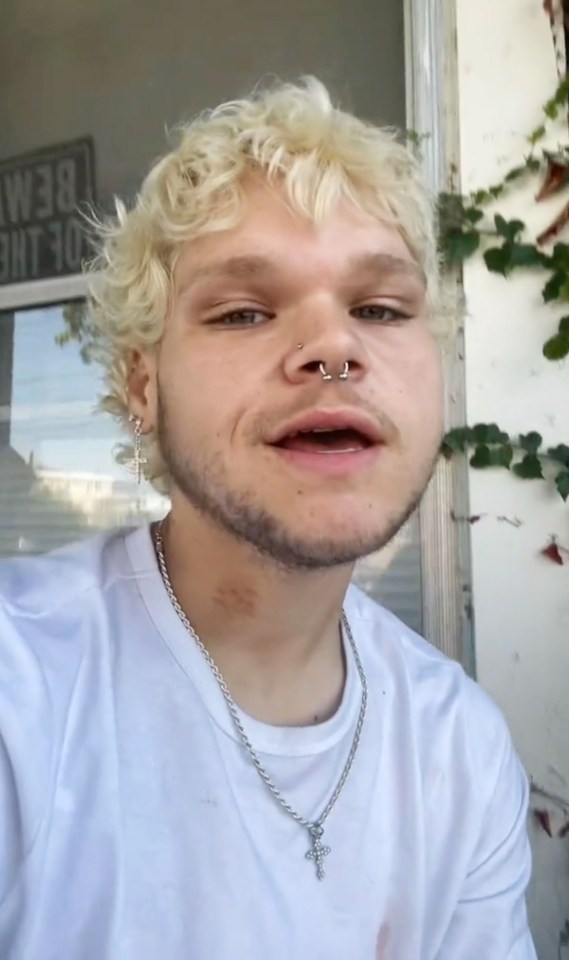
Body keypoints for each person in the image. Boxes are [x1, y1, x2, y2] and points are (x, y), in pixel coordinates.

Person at [0, 78, 536, 959]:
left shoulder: (458, 749)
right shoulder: (24, 692)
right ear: (144, 384)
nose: (334, 347)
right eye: (244, 311)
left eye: (379, 308)